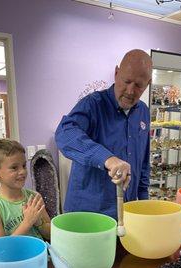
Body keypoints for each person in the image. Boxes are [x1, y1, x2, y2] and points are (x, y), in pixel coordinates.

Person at [55, 49, 152, 218]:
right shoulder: (92, 105)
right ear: (116, 73)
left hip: (126, 212)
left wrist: (144, 203)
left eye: (138, 85)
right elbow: (64, 134)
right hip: (89, 215)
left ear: (148, 84)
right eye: (126, 81)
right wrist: (108, 159)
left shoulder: (143, 111)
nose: (130, 91)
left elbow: (143, 162)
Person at [0, 139, 51, 240]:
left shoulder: (35, 198)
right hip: (14, 256)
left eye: (24, 166)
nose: (22, 172)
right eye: (14, 168)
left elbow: (51, 235)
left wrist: (39, 223)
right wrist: (27, 223)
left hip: (39, 254)